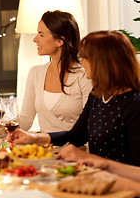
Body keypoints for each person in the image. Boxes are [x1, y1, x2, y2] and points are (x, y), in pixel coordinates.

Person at [8, 30, 140, 166]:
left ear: (103, 61)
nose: (80, 61)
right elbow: (76, 136)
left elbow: (137, 171)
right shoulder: (97, 96)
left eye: (84, 56)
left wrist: (86, 157)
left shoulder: (135, 105)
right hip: (96, 177)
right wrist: (33, 138)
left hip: (121, 184)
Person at [19, 10, 92, 132]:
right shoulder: (35, 73)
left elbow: (90, 124)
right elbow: (25, 120)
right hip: (45, 150)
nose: (35, 39)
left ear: (59, 41)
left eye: (41, 35)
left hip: (77, 149)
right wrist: (3, 127)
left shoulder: (83, 75)